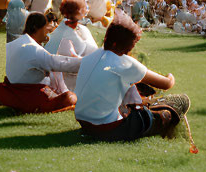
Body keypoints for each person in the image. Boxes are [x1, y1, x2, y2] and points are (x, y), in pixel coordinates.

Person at [73, 12, 190, 141]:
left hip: (84, 122)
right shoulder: (125, 62)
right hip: (106, 128)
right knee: (181, 101)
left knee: (136, 90)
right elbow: (166, 83)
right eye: (131, 45)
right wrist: (171, 75)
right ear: (122, 45)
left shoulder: (90, 57)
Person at [0, 13, 81, 113]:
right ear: (36, 28)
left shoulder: (14, 43)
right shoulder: (32, 48)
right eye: (46, 28)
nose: (47, 32)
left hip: (12, 90)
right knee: (70, 97)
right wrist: (85, 62)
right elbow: (58, 63)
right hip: (27, 94)